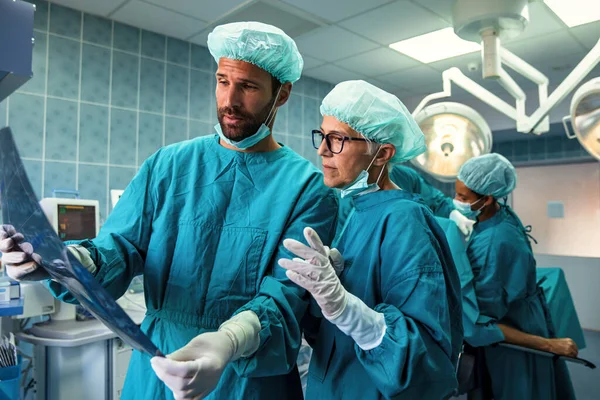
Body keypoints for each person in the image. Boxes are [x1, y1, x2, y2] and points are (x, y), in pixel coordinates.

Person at [0, 22, 338, 400]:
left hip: (245, 377)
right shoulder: (169, 164)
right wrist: (64, 261)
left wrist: (229, 340)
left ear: (282, 94)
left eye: (248, 86)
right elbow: (120, 247)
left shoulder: (309, 190)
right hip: (157, 367)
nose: (230, 100)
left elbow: (285, 295)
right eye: (223, 80)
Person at [279, 80, 463, 399]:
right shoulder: (359, 211)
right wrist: (326, 293)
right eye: (322, 136)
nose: (322, 150)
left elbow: (425, 358)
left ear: (382, 154)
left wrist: (348, 310)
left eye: (337, 139)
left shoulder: (404, 219)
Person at [453, 153, 576, 400]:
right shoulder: (502, 214)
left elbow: (480, 326)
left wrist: (549, 345)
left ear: (487, 199)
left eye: (463, 197)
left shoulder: (493, 246)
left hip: (514, 342)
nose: (456, 201)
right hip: (526, 319)